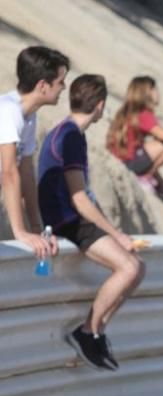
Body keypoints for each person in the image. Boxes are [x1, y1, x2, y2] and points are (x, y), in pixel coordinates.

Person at [38, 74, 145, 371]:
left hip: (69, 216)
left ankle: (97, 331)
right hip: (66, 219)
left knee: (138, 268)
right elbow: (80, 199)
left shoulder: (69, 132)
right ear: (99, 106)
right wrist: (118, 234)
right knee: (129, 267)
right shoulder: (71, 136)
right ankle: (87, 332)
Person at [1, 46, 67, 260]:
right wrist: (20, 232)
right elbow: (9, 173)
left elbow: (26, 173)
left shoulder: (28, 115)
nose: (64, 87)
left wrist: (38, 229)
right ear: (42, 86)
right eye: (60, 82)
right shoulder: (8, 111)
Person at [106, 75, 163, 197]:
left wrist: (160, 180)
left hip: (120, 157)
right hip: (128, 161)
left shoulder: (128, 111)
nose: (158, 94)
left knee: (150, 147)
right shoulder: (144, 114)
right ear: (148, 93)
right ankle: (145, 177)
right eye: (156, 90)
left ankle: (159, 182)